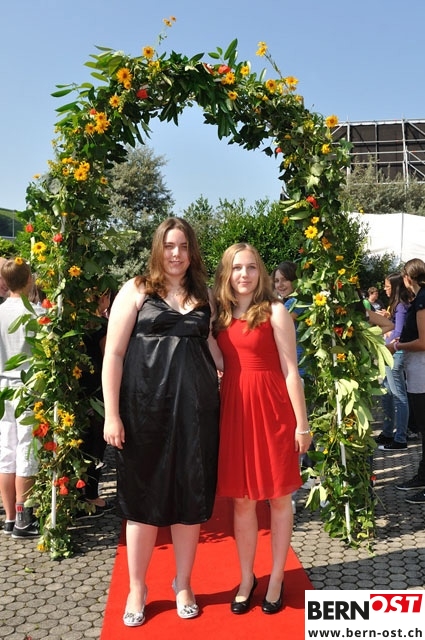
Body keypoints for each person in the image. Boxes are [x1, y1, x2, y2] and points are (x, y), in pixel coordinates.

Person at [102, 217, 221, 627]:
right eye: (170, 245)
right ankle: (137, 588)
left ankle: (182, 583)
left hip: (197, 413)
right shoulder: (136, 290)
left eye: (184, 246)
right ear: (158, 249)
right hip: (143, 412)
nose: (176, 253)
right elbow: (114, 354)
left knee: (189, 500)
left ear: (192, 251)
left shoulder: (203, 294)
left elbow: (214, 348)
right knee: (142, 501)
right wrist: (112, 414)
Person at [212, 243, 312, 615]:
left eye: (252, 267)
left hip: (272, 411)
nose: (244, 274)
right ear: (227, 273)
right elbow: (223, 361)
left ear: (261, 272)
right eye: (237, 267)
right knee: (242, 501)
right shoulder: (220, 315)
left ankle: (276, 578)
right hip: (235, 411)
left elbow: (291, 371)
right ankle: (246, 578)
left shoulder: (275, 311)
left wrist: (302, 425)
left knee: (279, 498)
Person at [0, 258, 41, 537]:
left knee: (6, 450)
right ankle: (24, 518)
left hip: (3, 386)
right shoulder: (37, 313)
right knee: (27, 449)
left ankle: (9, 518)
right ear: (29, 280)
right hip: (28, 386)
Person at [77, 289, 114, 519]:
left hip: (78, 390)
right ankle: (91, 496)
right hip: (98, 390)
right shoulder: (102, 326)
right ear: (102, 298)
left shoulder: (75, 323)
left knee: (81, 442)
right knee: (96, 445)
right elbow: (109, 357)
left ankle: (78, 494)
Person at [391, 259, 425, 504]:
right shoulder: (419, 298)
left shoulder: (422, 300)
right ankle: (422, 475)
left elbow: (423, 342)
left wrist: (398, 346)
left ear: (407, 278)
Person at [375, 273, 411, 451]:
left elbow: (399, 333)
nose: (385, 289)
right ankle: (388, 432)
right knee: (387, 393)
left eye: (387, 286)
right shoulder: (396, 306)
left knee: (398, 396)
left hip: (394, 353)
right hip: (389, 353)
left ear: (395, 287)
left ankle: (400, 438)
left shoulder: (401, 306)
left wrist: (387, 340)